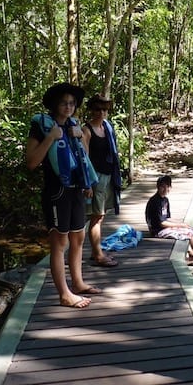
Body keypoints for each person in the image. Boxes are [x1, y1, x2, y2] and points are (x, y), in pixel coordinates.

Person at [26, 83, 102, 308]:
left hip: (76, 188)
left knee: (78, 238)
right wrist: (51, 137)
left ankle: (77, 283)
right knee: (60, 242)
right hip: (56, 191)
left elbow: (82, 159)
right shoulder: (41, 126)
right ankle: (64, 293)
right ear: (54, 105)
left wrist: (81, 137)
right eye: (63, 102)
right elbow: (31, 162)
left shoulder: (74, 125)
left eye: (72, 103)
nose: (68, 107)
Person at [145, 175, 193, 271]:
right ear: (158, 187)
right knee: (189, 234)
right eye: (163, 186)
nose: (165, 189)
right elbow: (162, 223)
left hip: (163, 227)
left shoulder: (165, 200)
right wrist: (180, 225)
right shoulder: (155, 202)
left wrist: (183, 224)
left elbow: (168, 218)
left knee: (191, 230)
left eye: (168, 186)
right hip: (157, 231)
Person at [81, 93, 122, 267]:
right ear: (91, 110)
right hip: (95, 178)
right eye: (98, 109)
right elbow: (84, 158)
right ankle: (97, 254)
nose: (102, 112)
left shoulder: (107, 127)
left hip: (107, 176)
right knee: (95, 216)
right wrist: (87, 183)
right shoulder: (86, 130)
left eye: (105, 109)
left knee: (100, 216)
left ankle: (95, 251)